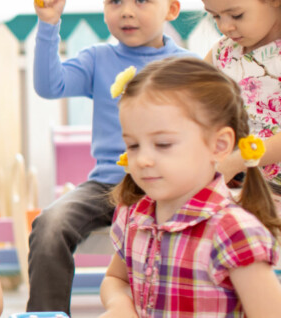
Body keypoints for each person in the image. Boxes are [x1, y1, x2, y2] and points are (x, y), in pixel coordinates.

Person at [25, 0, 196, 311]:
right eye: (115, 1)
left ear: (171, 9)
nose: (126, 11)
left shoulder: (185, 66)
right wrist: (47, 24)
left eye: (141, 0)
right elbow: (49, 86)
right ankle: (46, 314)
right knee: (49, 225)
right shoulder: (97, 59)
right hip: (106, 185)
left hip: (169, 185)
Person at [100, 57, 281, 316]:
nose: (142, 159)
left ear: (219, 146)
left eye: (163, 144)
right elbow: (115, 280)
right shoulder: (134, 217)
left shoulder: (233, 231)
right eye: (133, 145)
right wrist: (120, 305)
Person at [190, 0, 281, 182]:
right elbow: (190, 95)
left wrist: (238, 160)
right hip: (245, 184)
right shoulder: (223, 51)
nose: (225, 26)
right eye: (215, 16)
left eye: (236, 15)